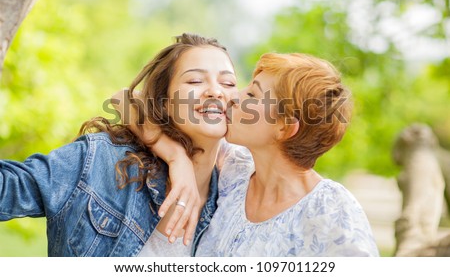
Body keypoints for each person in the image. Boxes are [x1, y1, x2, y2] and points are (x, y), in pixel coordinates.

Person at [0, 33, 236, 256]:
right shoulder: (100, 162)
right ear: (163, 103)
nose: (215, 91)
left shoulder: (238, 189)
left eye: (228, 83)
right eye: (195, 80)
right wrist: (176, 155)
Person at [127, 52, 379, 256]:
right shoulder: (236, 169)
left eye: (253, 94)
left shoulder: (332, 210)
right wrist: (176, 157)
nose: (233, 96)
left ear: (284, 127)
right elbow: (125, 101)